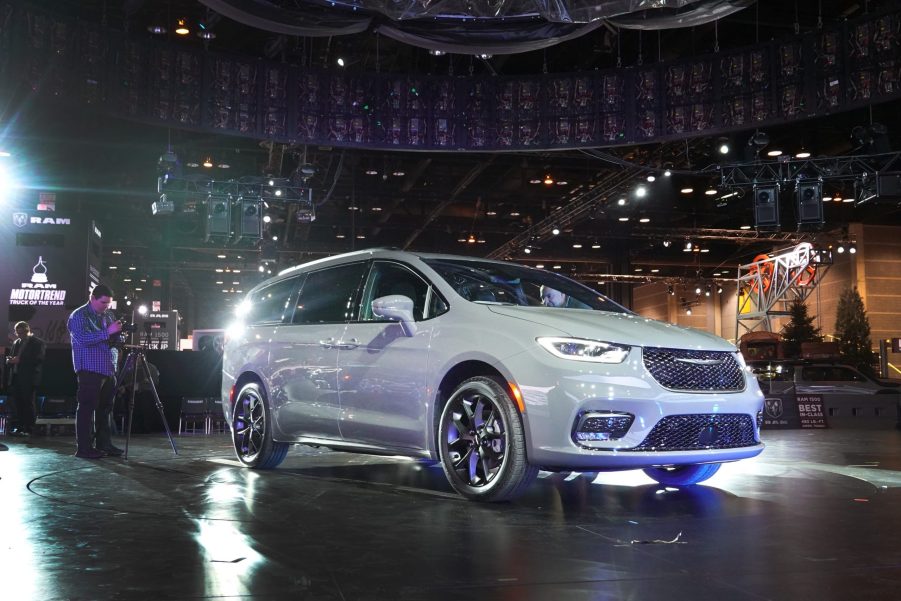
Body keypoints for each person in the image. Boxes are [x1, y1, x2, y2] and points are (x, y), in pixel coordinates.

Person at [67, 284, 124, 459]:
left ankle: (104, 444)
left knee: (105, 409)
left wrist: (118, 336)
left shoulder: (107, 314)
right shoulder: (79, 315)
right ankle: (83, 448)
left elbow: (115, 337)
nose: (106, 306)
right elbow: (83, 339)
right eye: (103, 302)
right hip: (89, 368)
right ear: (92, 298)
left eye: (108, 303)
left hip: (108, 368)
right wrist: (108, 332)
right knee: (86, 408)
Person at [7, 321, 46, 436]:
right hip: (16, 377)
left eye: (22, 333)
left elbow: (39, 359)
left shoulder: (38, 343)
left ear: (28, 331)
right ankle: (20, 427)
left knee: (28, 403)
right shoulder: (16, 342)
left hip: (29, 378)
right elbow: (13, 357)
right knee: (18, 403)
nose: (20, 335)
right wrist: (10, 360)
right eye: (18, 333)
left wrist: (20, 360)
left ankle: (29, 428)